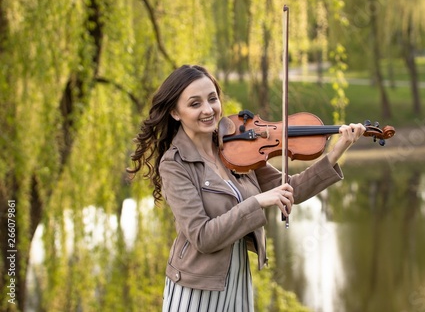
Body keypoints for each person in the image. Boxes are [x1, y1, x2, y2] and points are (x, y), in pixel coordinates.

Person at [127, 64, 366, 311]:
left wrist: (337, 151)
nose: (208, 110)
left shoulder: (236, 147)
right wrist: (258, 202)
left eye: (212, 99)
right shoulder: (175, 165)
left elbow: (290, 189)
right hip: (196, 285)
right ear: (176, 113)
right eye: (195, 104)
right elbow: (203, 237)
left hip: (237, 278)